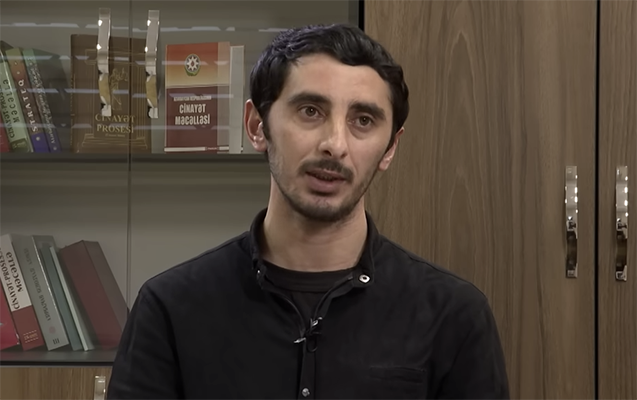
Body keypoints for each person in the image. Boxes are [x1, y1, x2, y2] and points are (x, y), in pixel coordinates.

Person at [106, 23, 510, 400]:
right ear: (257, 126)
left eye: (363, 120)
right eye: (310, 111)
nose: (335, 144)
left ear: (390, 148)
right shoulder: (170, 309)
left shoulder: (454, 316)